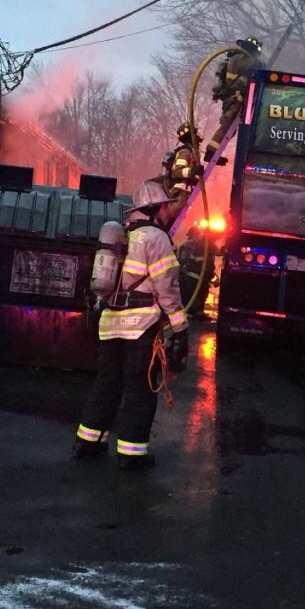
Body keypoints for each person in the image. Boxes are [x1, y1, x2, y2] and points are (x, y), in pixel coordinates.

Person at [73, 180, 189, 471]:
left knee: (107, 383)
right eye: (165, 207)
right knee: (140, 388)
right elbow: (167, 289)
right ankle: (132, 453)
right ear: (155, 208)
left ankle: (88, 441)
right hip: (140, 326)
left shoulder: (121, 234)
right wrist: (180, 329)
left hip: (109, 323)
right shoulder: (156, 238)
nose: (168, 212)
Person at [203, 37, 265, 165]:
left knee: (229, 129)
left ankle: (214, 153)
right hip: (236, 98)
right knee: (226, 126)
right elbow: (253, 68)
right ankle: (211, 153)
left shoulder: (232, 58)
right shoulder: (243, 59)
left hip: (230, 98)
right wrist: (261, 66)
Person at [153, 123, 204, 218]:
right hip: (179, 191)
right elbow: (176, 172)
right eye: (195, 134)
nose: (197, 136)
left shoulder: (192, 152)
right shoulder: (185, 152)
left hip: (184, 190)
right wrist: (193, 171)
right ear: (191, 136)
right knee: (173, 214)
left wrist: (195, 179)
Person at [177, 225, 217, 318]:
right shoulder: (198, 247)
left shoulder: (184, 245)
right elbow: (204, 265)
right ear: (196, 235)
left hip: (185, 276)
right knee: (198, 294)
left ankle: (188, 313)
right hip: (195, 277)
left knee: (187, 296)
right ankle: (196, 313)